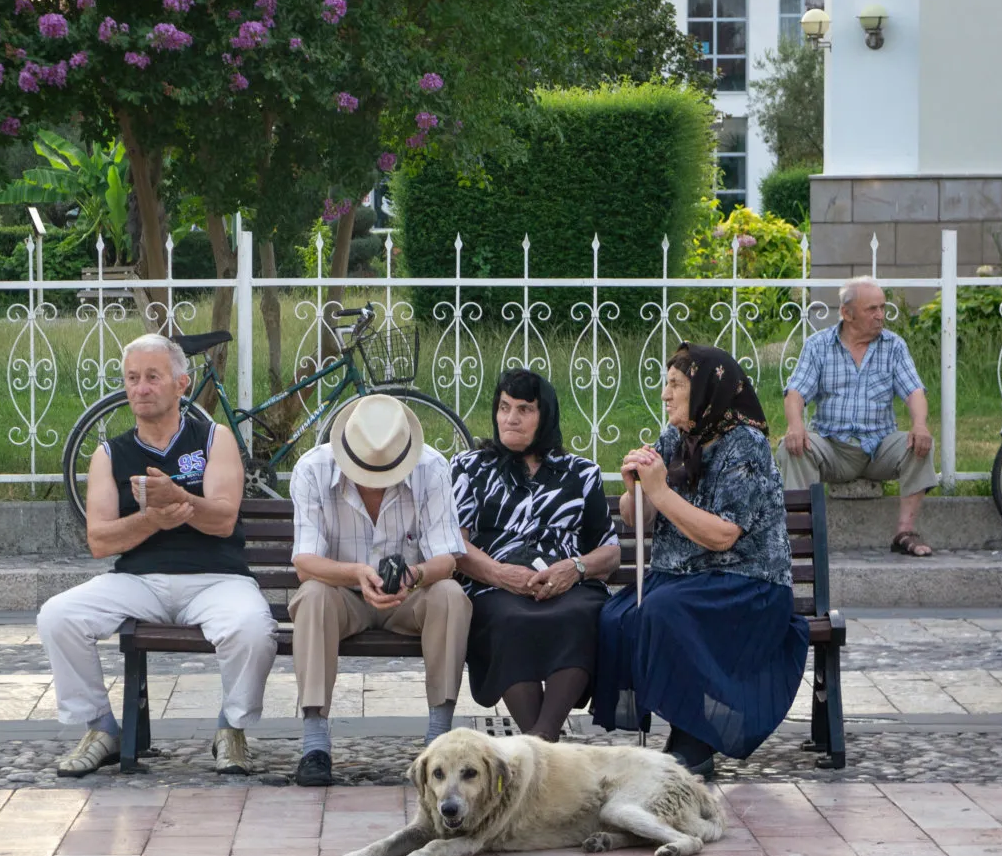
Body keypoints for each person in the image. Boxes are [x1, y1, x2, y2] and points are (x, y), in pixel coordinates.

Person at [37, 334, 278, 778]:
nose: (141, 388)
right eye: (133, 378)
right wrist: (153, 519)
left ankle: (232, 728)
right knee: (57, 616)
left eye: (153, 377)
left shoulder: (214, 439)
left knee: (252, 628)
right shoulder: (109, 453)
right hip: (138, 582)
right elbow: (100, 541)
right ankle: (101, 728)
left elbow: (224, 520)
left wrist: (178, 497)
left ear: (180, 384)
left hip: (217, 578)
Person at [593, 343, 808, 780]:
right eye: (665, 384)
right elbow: (641, 519)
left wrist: (660, 491)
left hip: (745, 582)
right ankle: (685, 731)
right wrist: (634, 488)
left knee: (664, 613)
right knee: (616, 616)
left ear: (708, 389)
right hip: (682, 579)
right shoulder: (677, 437)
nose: (665, 395)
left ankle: (692, 741)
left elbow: (723, 535)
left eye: (676, 385)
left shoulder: (743, 443)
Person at [288, 393, 471, 787]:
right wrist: (356, 574)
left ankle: (438, 734)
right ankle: (314, 744)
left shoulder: (433, 468)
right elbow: (305, 563)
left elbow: (448, 560)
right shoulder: (312, 469)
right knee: (313, 597)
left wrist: (414, 576)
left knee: (452, 596)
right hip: (343, 595)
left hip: (411, 598)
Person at [449, 369, 620, 741]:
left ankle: (540, 743)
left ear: (546, 416)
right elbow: (455, 545)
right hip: (496, 588)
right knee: (510, 620)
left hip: (567, 585)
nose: (511, 418)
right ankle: (545, 742)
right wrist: (499, 574)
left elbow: (609, 551)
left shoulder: (581, 473)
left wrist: (574, 569)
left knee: (582, 614)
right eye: (504, 407)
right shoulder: (470, 468)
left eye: (525, 409)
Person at [776, 276, 938, 556]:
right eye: (872, 309)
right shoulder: (818, 345)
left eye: (882, 308)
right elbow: (795, 393)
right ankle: (800, 533)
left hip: (880, 447)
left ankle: (904, 532)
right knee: (792, 447)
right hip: (832, 446)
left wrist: (920, 425)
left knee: (922, 444)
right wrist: (795, 426)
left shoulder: (893, 346)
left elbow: (914, 391)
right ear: (847, 313)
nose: (880, 316)